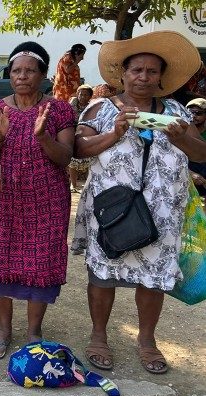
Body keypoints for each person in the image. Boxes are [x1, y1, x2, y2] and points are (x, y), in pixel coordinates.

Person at [71, 31, 205, 374]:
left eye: (152, 71)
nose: (144, 77)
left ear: (161, 77)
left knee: (153, 277)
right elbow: (78, 150)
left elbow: (201, 154)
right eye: (136, 70)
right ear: (123, 74)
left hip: (162, 211)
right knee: (104, 273)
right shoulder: (100, 108)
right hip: (112, 209)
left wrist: (182, 139)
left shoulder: (176, 111)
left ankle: (147, 341)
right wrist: (113, 133)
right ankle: (98, 337)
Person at [0, 42, 76, 359]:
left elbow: (65, 158)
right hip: (4, 200)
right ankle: (4, 328)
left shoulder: (58, 110)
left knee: (42, 261)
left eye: (29, 71)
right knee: (2, 259)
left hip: (47, 201)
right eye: (16, 71)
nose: (22, 76)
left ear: (43, 75)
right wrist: (0, 136)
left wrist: (43, 136)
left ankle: (34, 331)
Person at [68, 84, 94, 193]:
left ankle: (87, 185)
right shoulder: (73, 102)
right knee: (72, 161)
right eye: (80, 94)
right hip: (73, 134)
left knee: (88, 161)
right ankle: (73, 185)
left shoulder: (91, 106)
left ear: (89, 97)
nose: (81, 96)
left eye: (85, 95)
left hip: (86, 134)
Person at [186, 98, 206, 207]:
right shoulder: (179, 132)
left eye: (198, 113)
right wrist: (190, 173)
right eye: (190, 113)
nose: (193, 116)